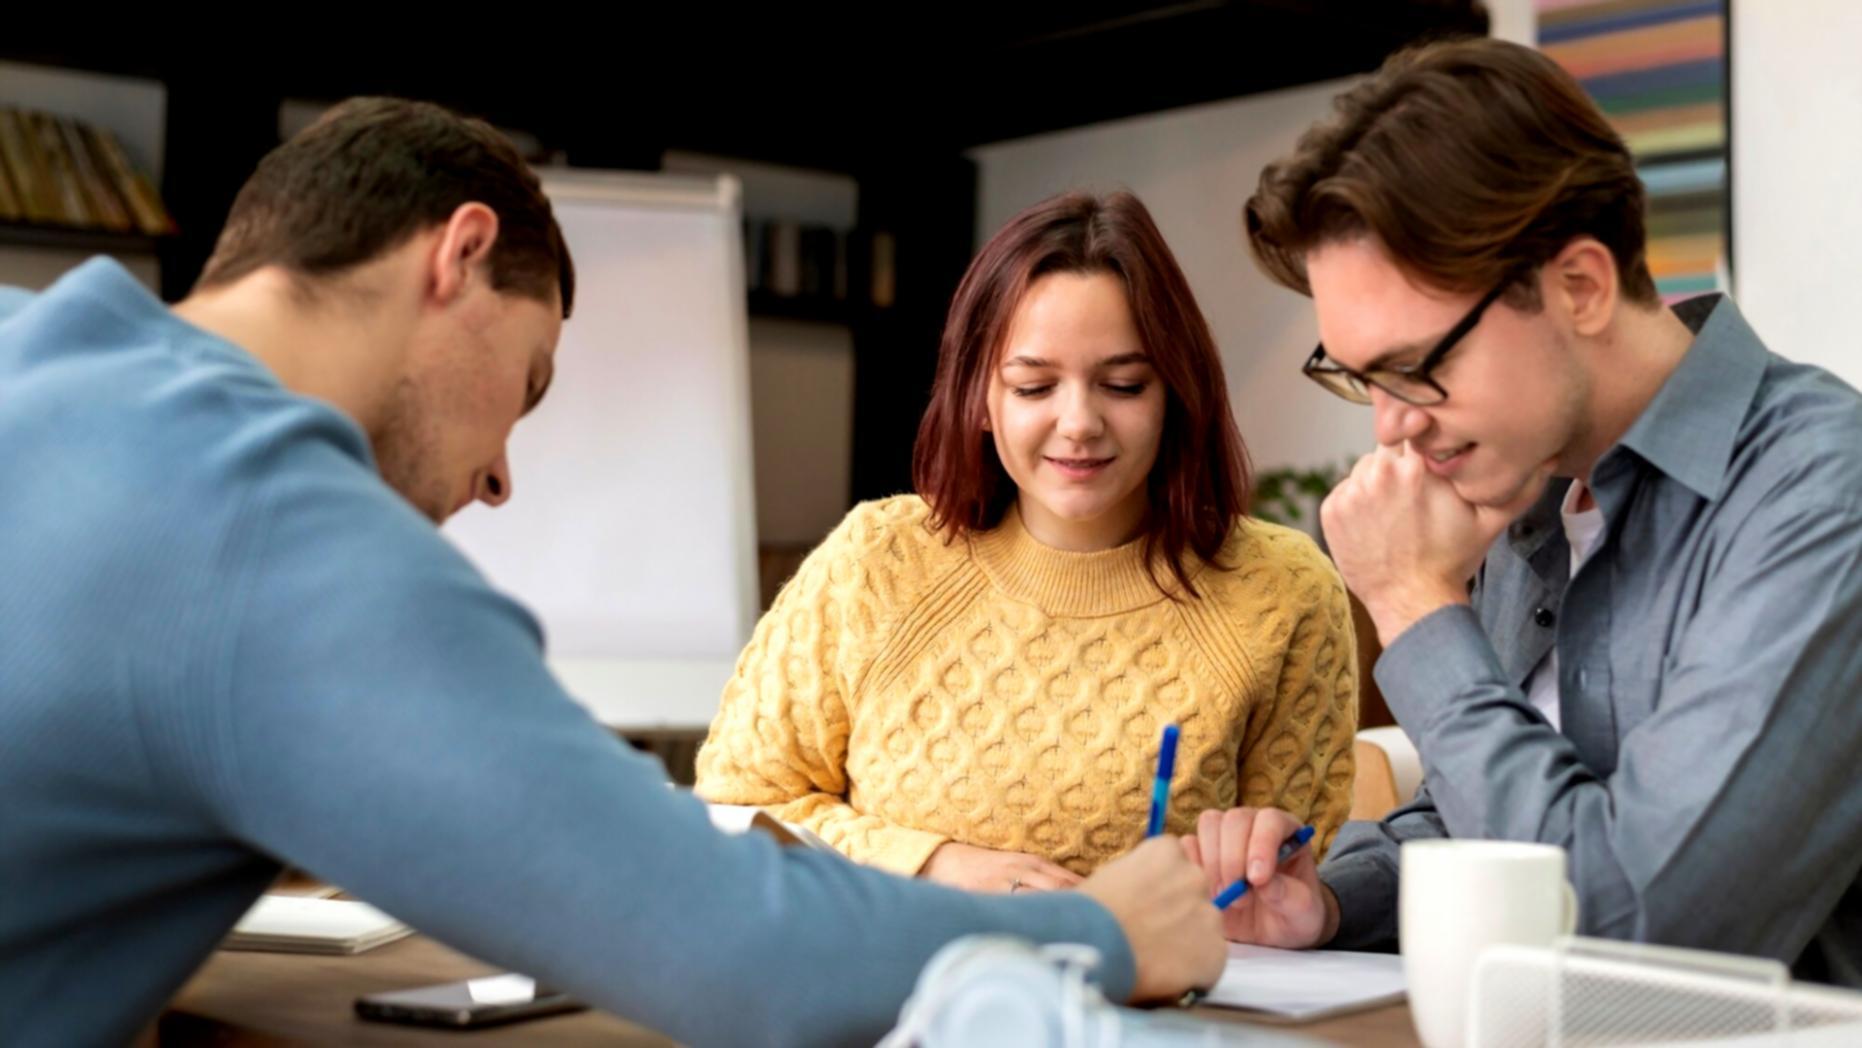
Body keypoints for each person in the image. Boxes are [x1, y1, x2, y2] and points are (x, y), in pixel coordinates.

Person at [0, 98, 1227, 1048]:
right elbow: (735, 951)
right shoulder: (269, 525)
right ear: (459, 256)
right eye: (526, 387)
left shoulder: (32, 350)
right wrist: (1098, 931)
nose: (496, 480)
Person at [1200, 36, 1862, 985]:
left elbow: (1644, 927)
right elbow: (1493, 804)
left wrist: (1416, 607)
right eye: (1359, 378)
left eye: (1415, 368)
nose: (1390, 427)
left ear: (1582, 287)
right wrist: (1340, 899)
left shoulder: (1818, 491)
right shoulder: (1527, 480)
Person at [696, 190, 1359, 926]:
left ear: (1177, 390)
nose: (1078, 423)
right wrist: (937, 866)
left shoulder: (1281, 591)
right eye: (1033, 385)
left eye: (1124, 384)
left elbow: (1298, 884)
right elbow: (736, 809)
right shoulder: (874, 562)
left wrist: (1253, 890)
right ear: (980, 397)